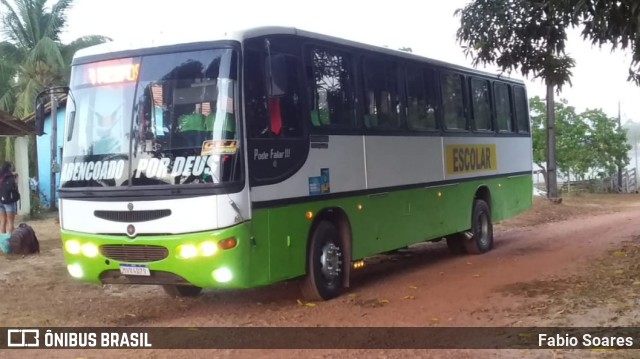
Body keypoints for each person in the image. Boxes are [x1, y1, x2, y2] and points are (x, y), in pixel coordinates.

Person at [0, 161, 19, 234]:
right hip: (9, 202)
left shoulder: (0, 176)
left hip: (0, 201)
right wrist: (17, 177)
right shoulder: (12, 176)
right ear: (9, 168)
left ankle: (2, 242)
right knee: (10, 222)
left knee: (2, 221)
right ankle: (10, 241)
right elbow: (16, 187)